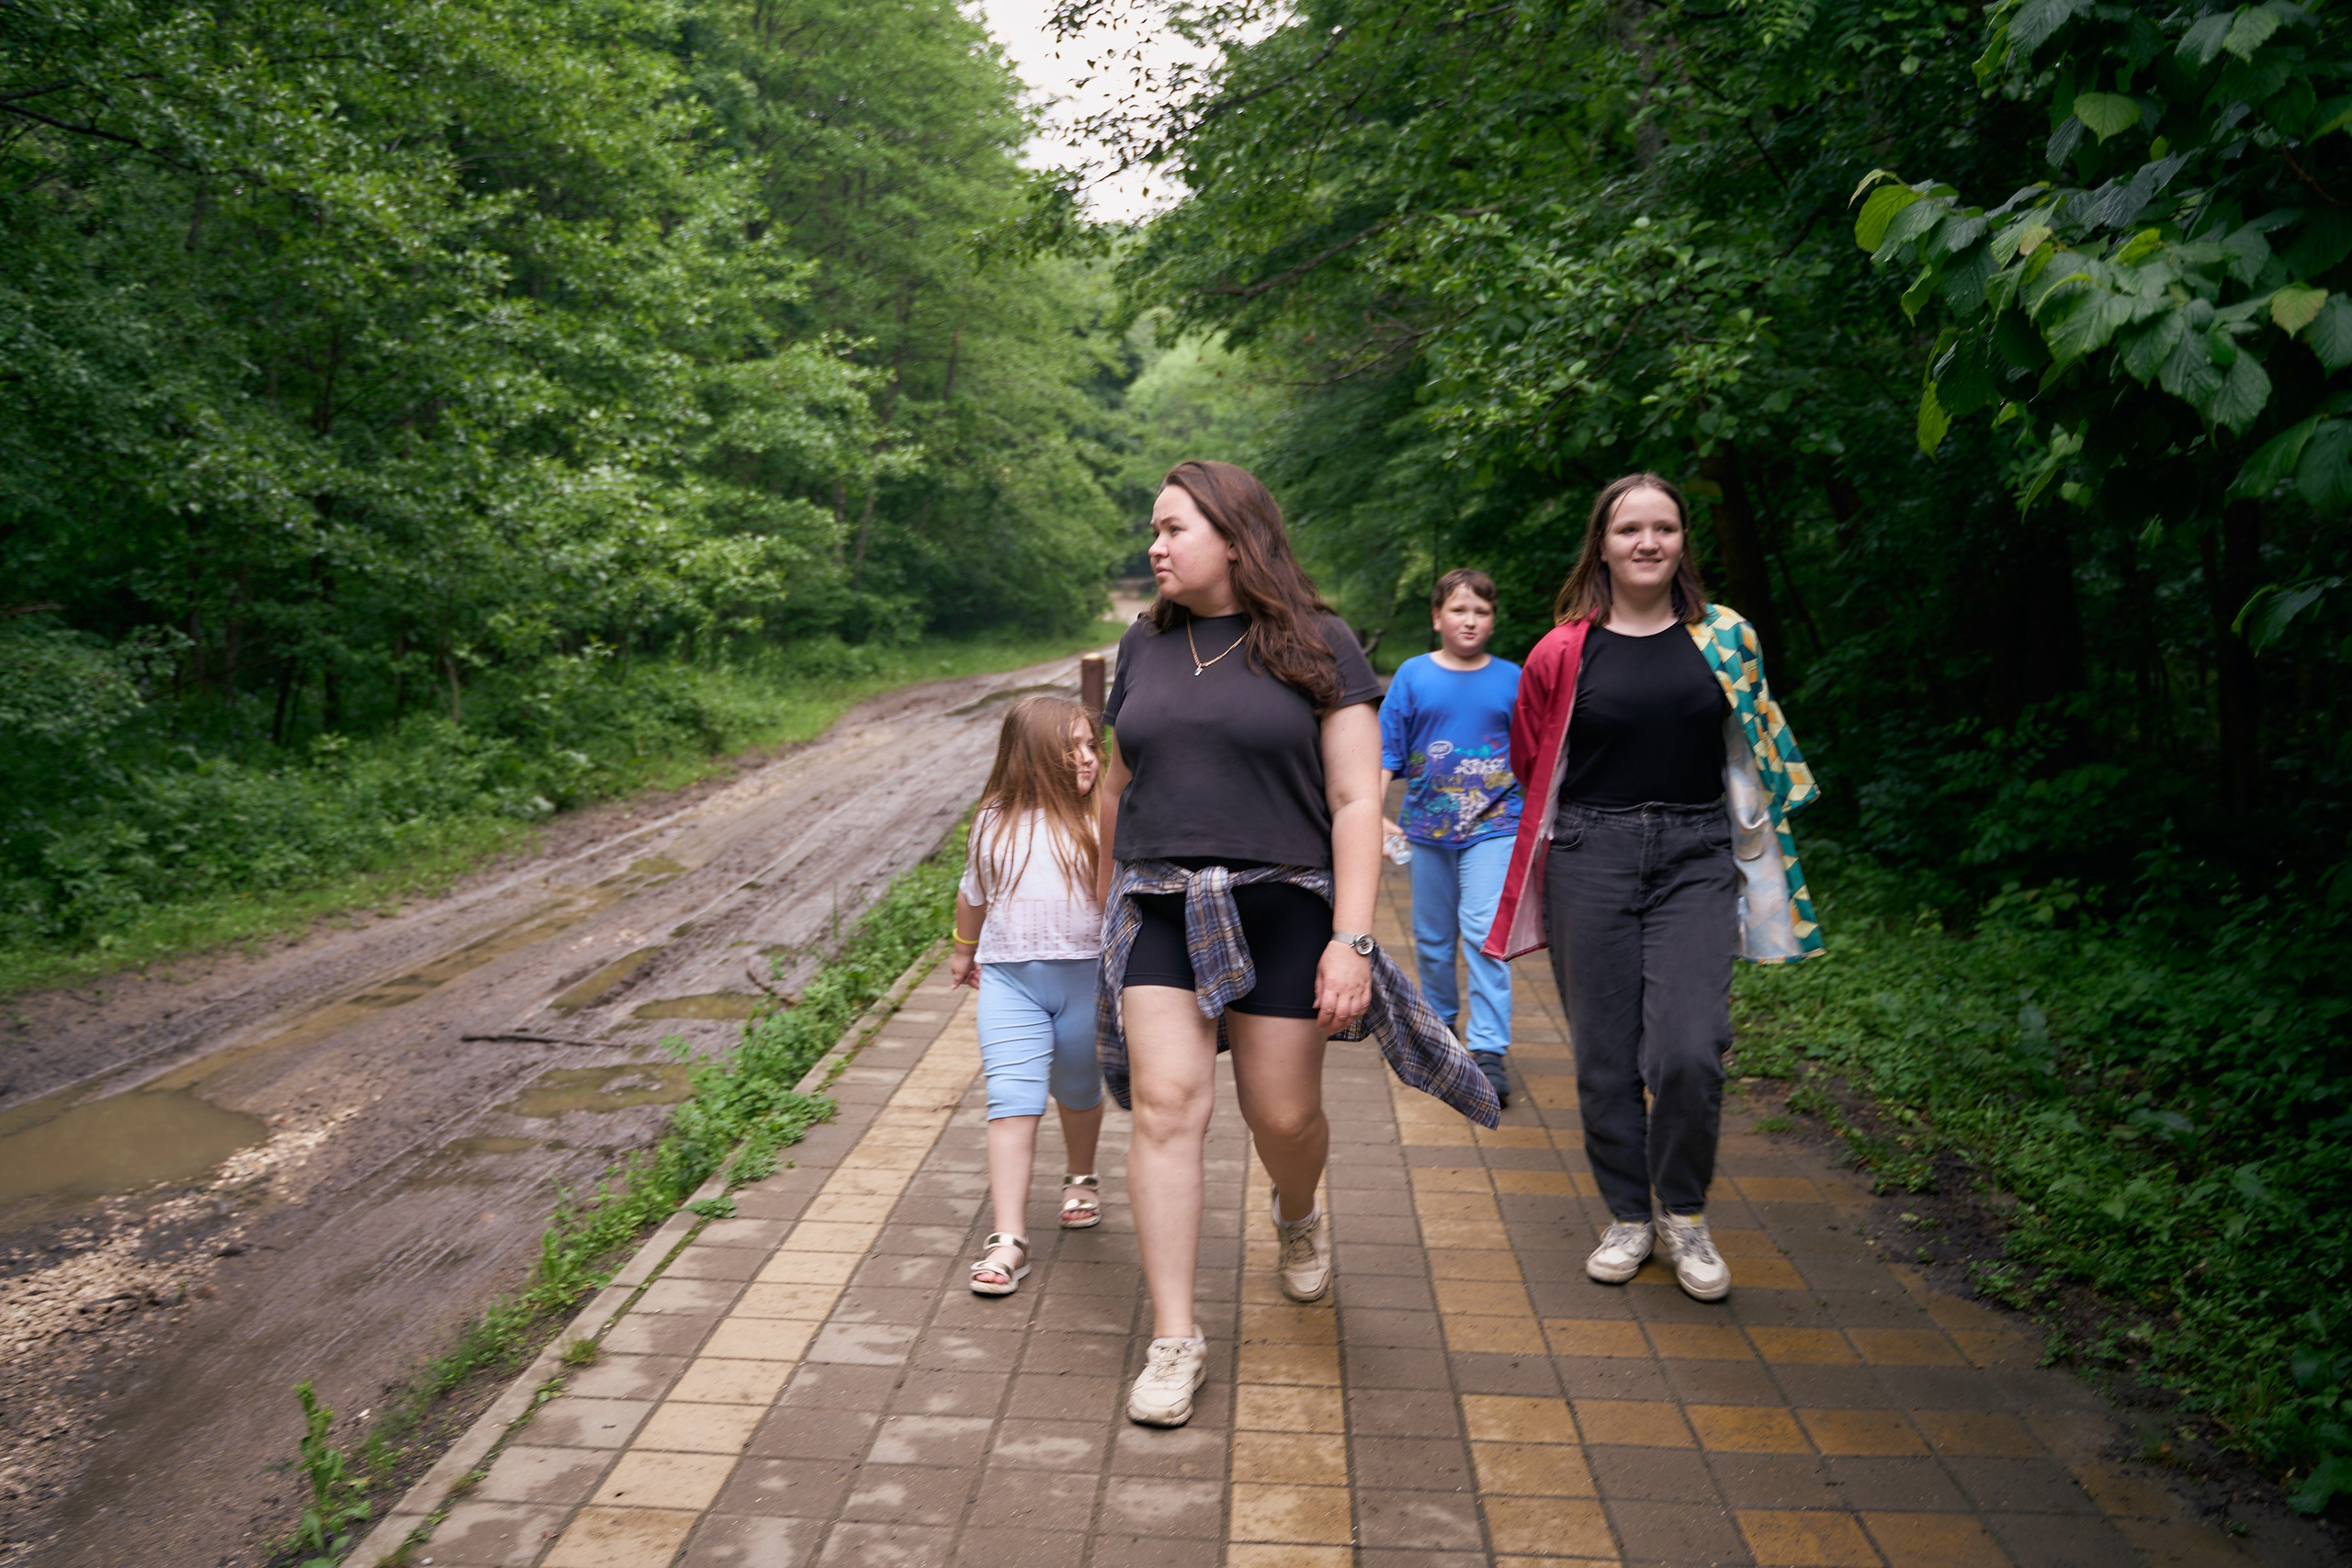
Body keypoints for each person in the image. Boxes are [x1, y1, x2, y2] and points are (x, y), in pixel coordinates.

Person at [1096, 459, 1498, 1427]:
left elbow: (1360, 798)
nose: (1155, 547)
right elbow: (1115, 786)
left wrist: (1350, 942)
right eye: (1153, 531)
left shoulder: (1316, 644)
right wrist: (1090, 908)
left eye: (1172, 529)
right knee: (1166, 1108)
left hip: (1282, 906)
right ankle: (1175, 1338)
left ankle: (1296, 1212)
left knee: (1280, 1118)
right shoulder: (1143, 647)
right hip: (1159, 903)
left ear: (1234, 537)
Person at [1484, 473, 1823, 1303]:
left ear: (1681, 542)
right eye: (1629, 528)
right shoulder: (1561, 650)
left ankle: (1684, 1210)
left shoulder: (1726, 637)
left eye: (1663, 528)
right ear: (1601, 543)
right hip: (1590, 854)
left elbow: (1761, 739)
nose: (1646, 542)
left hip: (1695, 851)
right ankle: (1630, 1215)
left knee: (1689, 1049)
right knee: (1604, 1056)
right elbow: (1535, 760)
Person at [950, 695, 1109, 1297]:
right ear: (1033, 756)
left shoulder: (1103, 815)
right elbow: (974, 890)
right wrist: (964, 949)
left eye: (1092, 745)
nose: (1089, 757)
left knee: (1076, 1087)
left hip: (1086, 979)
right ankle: (1008, 1239)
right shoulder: (993, 818)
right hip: (1010, 979)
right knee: (1010, 1098)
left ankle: (1082, 1176)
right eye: (1073, 748)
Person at [1379, 569, 1523, 1109]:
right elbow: (1388, 752)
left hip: (1496, 823)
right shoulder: (1413, 676)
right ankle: (1440, 1027)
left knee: (1486, 932)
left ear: (1493, 619)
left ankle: (1488, 1049)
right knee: (1433, 938)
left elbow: (1535, 751)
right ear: (1437, 617)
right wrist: (1375, 816)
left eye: (1481, 612)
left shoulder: (1514, 677)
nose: (1470, 620)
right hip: (1427, 828)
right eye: (1459, 610)